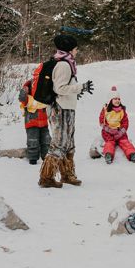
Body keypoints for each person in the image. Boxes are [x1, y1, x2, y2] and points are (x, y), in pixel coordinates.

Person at [39, 34, 93, 188]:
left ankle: (67, 174)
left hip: (66, 108)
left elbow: (64, 87)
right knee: (59, 143)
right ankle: (46, 177)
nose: (77, 51)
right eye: (76, 49)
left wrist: (76, 91)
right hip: (60, 109)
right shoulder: (63, 64)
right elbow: (60, 88)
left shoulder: (66, 62)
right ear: (69, 49)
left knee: (68, 144)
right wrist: (80, 87)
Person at [99, 86, 135, 164]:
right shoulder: (105, 110)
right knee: (109, 143)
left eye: (119, 99)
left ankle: (132, 154)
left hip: (119, 131)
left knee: (125, 142)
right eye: (115, 99)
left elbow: (125, 122)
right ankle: (108, 155)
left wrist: (121, 132)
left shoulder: (122, 110)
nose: (117, 100)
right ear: (110, 100)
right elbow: (101, 121)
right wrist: (108, 129)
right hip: (108, 132)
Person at [19, 79, 50, 165]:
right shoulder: (28, 97)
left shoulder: (44, 97)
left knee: (46, 139)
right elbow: (22, 99)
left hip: (43, 122)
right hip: (32, 121)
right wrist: (24, 91)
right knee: (33, 140)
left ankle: (46, 157)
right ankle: (33, 158)